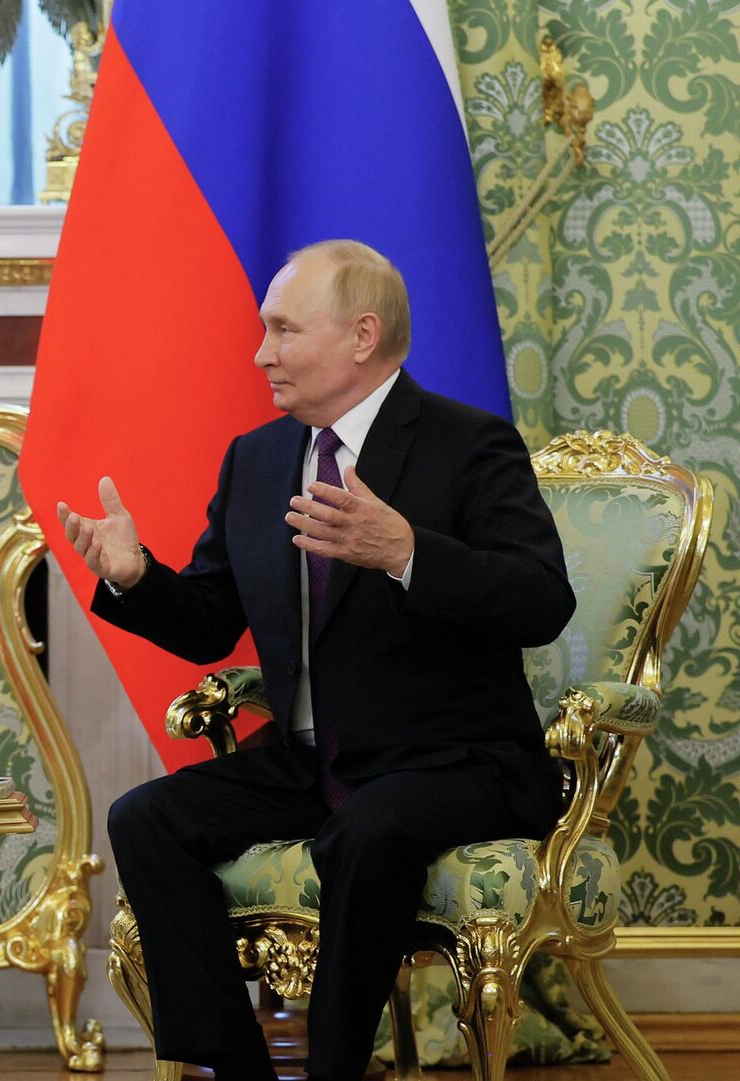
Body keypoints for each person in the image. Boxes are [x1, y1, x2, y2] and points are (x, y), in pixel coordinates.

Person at [59, 240, 573, 1081]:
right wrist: (136, 577)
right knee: (145, 817)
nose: (261, 353)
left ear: (362, 335)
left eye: (283, 330)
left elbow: (543, 600)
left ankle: (333, 1073)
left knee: (369, 829)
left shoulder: (469, 444)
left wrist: (408, 552)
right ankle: (240, 1071)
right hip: (312, 762)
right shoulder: (258, 458)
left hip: (455, 759)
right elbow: (210, 621)